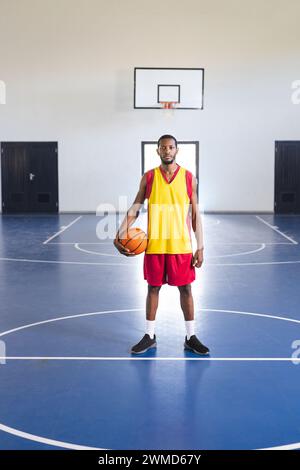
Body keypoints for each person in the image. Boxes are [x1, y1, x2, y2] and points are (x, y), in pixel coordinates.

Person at [114, 135, 209, 355]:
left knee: (186, 289)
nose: (167, 151)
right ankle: (149, 335)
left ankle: (191, 336)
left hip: (181, 245)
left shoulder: (188, 178)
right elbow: (135, 208)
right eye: (163, 148)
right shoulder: (148, 177)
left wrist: (200, 246)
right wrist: (119, 234)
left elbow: (195, 214)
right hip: (155, 245)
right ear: (157, 151)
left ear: (177, 150)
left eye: (171, 147)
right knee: (152, 288)